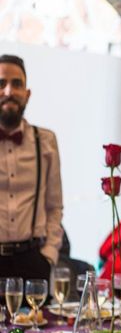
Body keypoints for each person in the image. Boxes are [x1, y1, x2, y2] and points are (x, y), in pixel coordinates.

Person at [0, 54, 63, 280]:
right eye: (1, 84)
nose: (9, 91)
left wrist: (49, 255)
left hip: (32, 262)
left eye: (17, 84)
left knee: (40, 318)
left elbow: (54, 206)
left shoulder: (45, 141)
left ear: (27, 94)